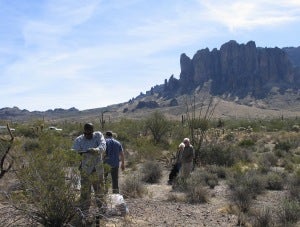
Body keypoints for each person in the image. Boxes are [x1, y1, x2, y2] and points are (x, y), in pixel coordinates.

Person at [72, 123, 106, 220]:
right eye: (85, 133)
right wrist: (75, 153)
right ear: (84, 131)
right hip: (86, 171)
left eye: (89, 133)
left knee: (99, 192)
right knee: (85, 193)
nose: (87, 135)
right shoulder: (79, 139)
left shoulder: (98, 135)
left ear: (92, 131)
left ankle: (102, 213)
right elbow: (74, 150)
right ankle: (85, 214)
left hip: (97, 170)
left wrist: (97, 150)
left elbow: (103, 145)